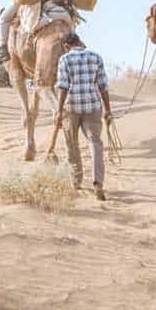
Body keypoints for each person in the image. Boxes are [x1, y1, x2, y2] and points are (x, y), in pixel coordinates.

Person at [55, 32, 112, 201]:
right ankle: (98, 183)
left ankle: (76, 181)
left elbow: (63, 86)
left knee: (72, 144)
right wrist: (108, 110)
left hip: (71, 108)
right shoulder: (96, 57)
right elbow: (103, 86)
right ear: (80, 41)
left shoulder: (64, 59)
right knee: (95, 143)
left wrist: (58, 111)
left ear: (66, 46)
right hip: (93, 106)